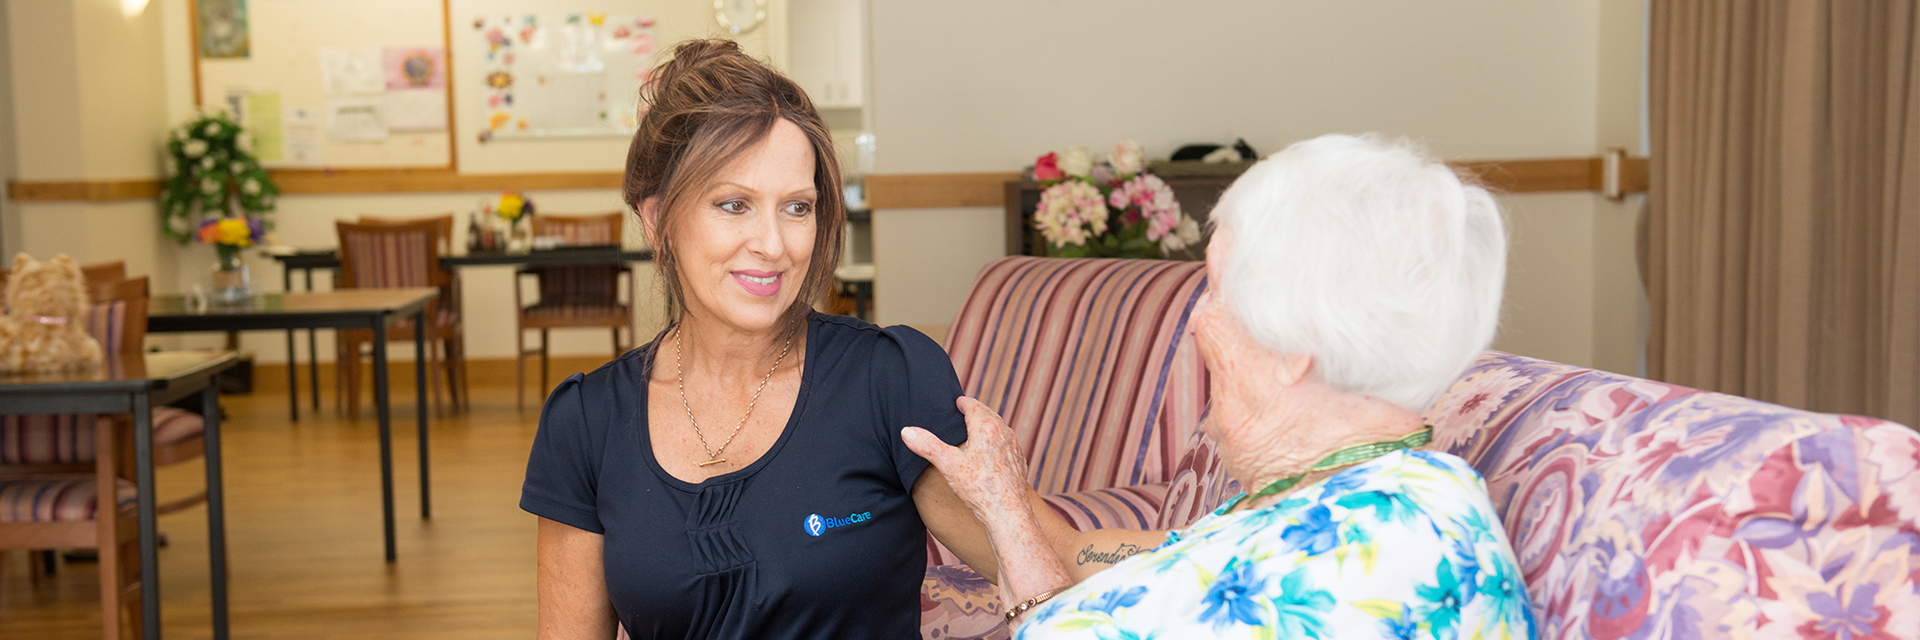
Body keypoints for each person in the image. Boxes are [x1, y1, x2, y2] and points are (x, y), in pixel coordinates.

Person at [903, 134, 1537, 639]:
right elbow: (1076, 553)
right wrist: (990, 497)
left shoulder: (1367, 554)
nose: (1199, 320)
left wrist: (1014, 537)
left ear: (1294, 345)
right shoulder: (1363, 496)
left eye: (1217, 288)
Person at [520, 39, 1007, 639]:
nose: (772, 245)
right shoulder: (587, 422)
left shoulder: (889, 378)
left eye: (797, 208)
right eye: (734, 205)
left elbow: (1046, 560)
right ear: (657, 220)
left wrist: (1158, 553)